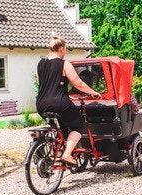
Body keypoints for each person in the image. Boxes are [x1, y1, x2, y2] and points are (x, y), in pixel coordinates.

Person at [36, 32, 101, 165]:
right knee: (78, 125)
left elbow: (41, 83)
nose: (65, 53)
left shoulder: (40, 64)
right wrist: (93, 92)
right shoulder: (64, 64)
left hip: (41, 104)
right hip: (59, 103)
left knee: (61, 128)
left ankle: (58, 154)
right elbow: (78, 83)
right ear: (61, 49)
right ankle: (66, 154)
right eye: (65, 50)